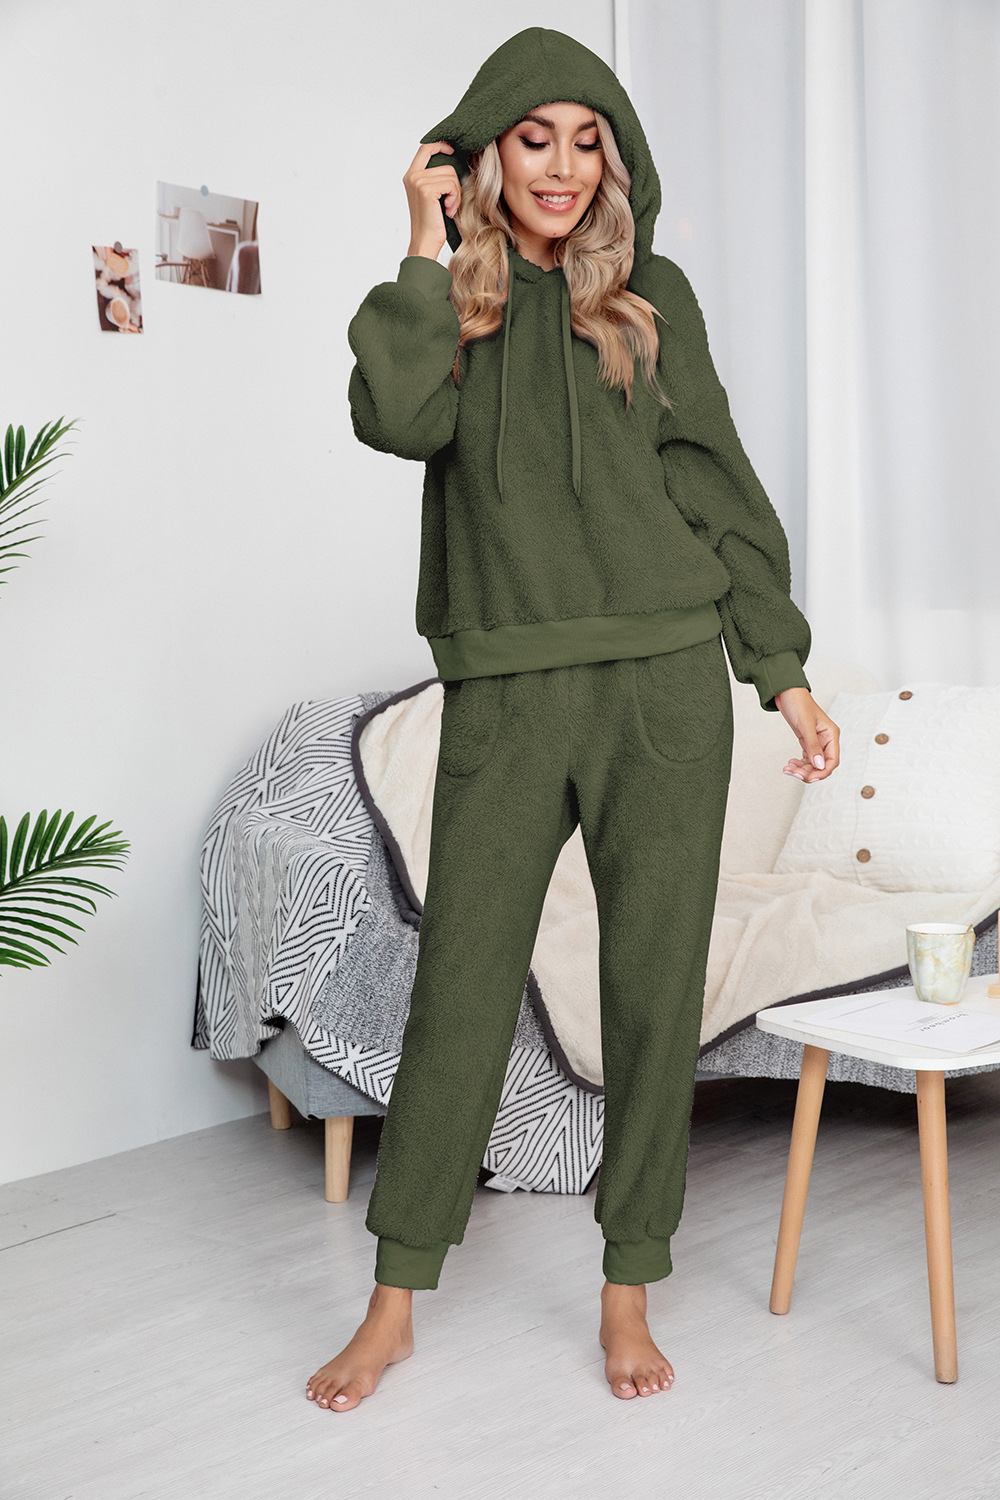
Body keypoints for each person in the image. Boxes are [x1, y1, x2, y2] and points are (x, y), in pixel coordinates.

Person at [307, 25, 840, 1411]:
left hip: (664, 680)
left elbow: (715, 481)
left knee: (655, 986)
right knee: (462, 983)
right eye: (533, 138)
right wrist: (420, 244)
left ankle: (628, 1287)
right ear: (482, 155)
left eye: (586, 140)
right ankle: (393, 1300)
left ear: (614, 158)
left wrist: (777, 664)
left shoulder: (651, 296)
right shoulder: (451, 301)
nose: (560, 166)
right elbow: (392, 419)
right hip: (505, 685)